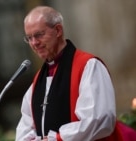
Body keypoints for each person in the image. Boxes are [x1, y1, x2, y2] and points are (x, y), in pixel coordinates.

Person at [15, 6, 119, 141]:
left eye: (39, 35)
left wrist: (57, 138)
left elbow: (100, 120)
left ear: (58, 30)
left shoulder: (88, 66)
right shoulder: (38, 80)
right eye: (29, 38)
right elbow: (26, 126)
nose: (34, 43)